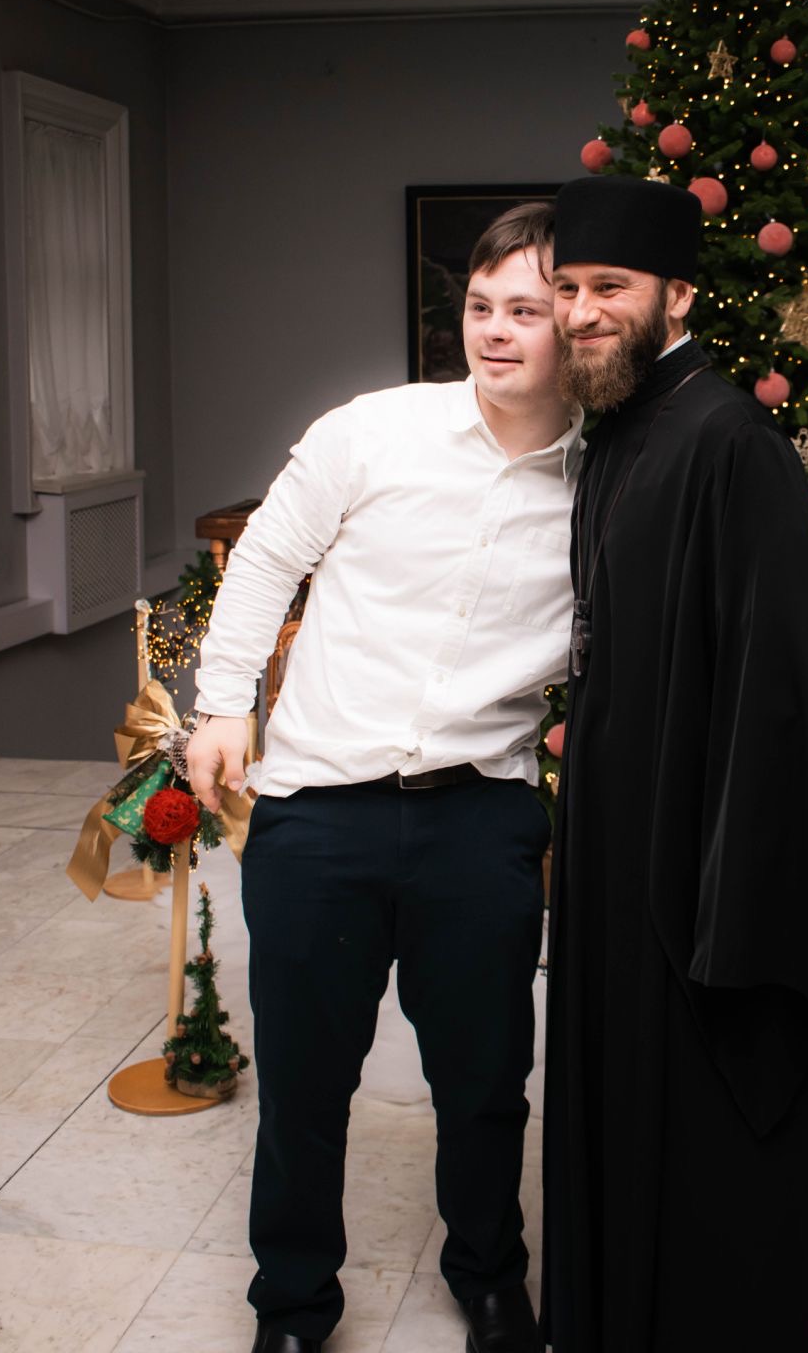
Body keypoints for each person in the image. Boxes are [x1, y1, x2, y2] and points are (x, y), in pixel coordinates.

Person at [186, 201, 581, 1353]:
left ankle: (489, 1275)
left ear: (574, 323)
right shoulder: (371, 430)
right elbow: (265, 559)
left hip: (481, 816)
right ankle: (293, 1304)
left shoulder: (604, 479)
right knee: (305, 1087)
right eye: (480, 306)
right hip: (318, 814)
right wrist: (223, 704)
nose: (493, 330)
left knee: (486, 1081)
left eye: (525, 310)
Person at [541, 175, 808, 1353]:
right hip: (612, 832)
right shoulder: (623, 427)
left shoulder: (731, 441)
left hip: (690, 865)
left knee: (694, 1110)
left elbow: (777, 701)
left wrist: (727, 896)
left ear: (676, 294)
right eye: (566, 287)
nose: (581, 311)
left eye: (609, 287)